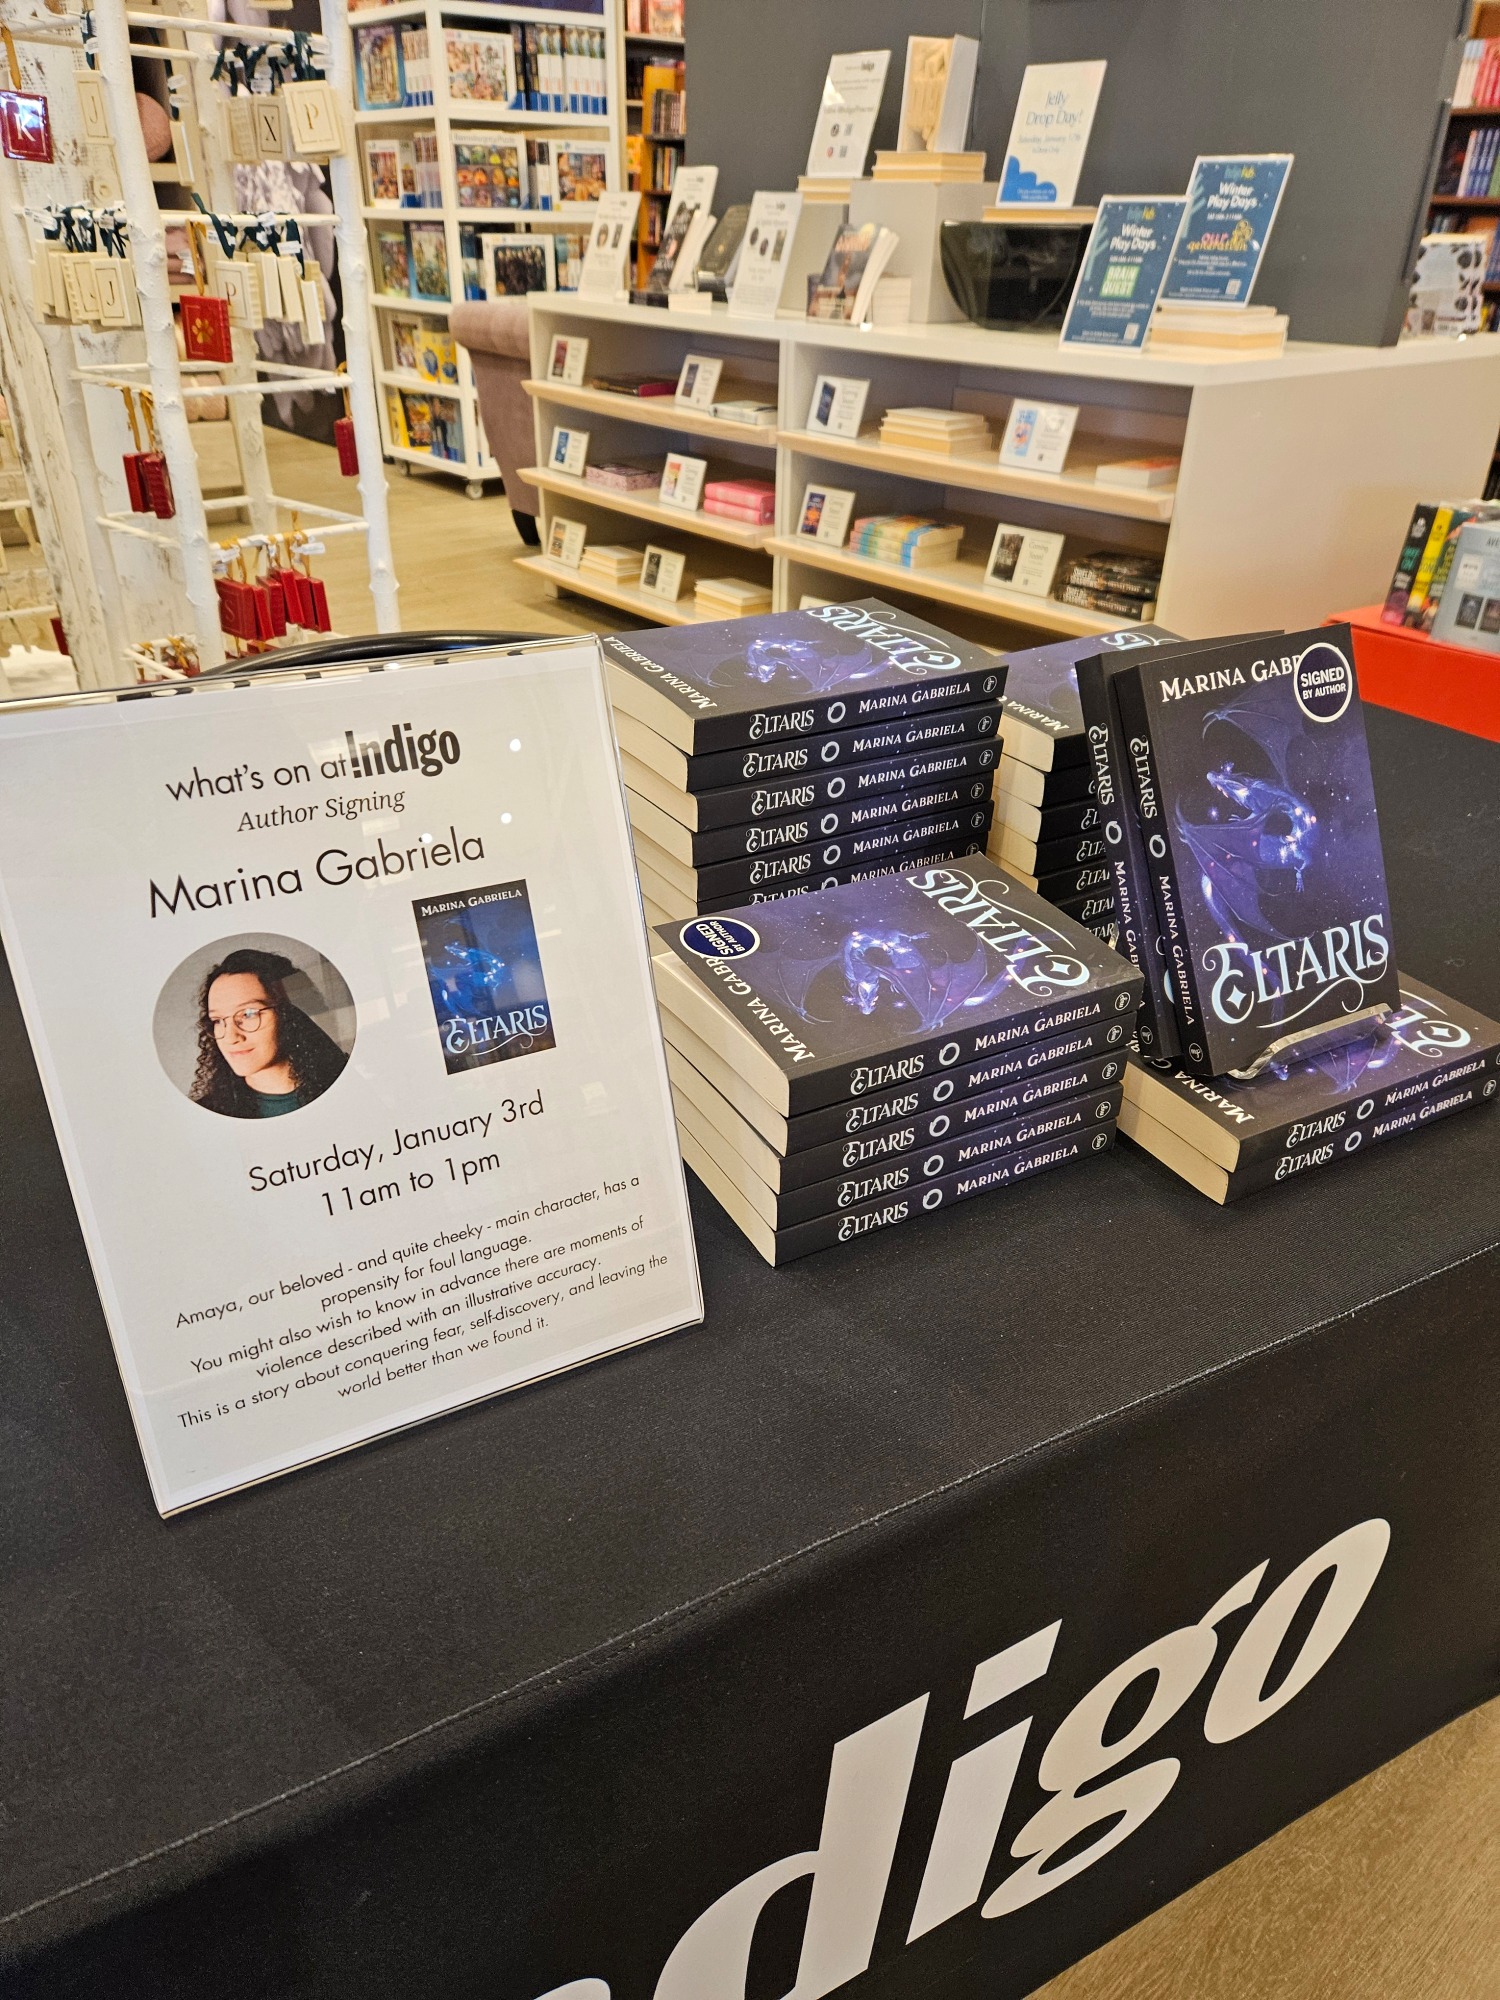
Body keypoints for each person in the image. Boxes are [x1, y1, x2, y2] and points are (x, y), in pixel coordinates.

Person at [191, 947, 348, 1118]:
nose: (230, 1037)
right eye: (218, 1020)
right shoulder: (205, 1115)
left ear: (290, 1013)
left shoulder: (349, 1089)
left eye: (248, 1014)